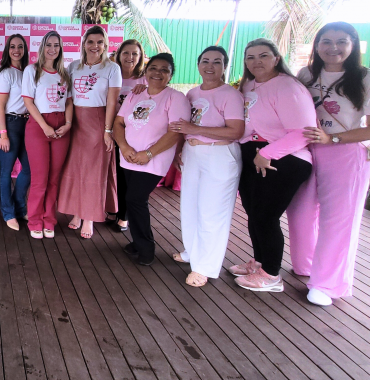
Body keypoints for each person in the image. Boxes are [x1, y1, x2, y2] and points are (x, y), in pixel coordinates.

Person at [287, 23, 370, 306]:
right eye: (326, 41)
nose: (333, 48)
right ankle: (306, 266)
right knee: (300, 212)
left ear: (354, 45)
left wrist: (332, 138)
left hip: (346, 154)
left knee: (338, 221)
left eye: (342, 41)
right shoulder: (306, 74)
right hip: (305, 150)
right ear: (317, 45)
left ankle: (327, 284)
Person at [230, 39, 316, 292]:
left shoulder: (289, 87)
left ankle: (271, 275)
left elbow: (303, 133)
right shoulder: (249, 85)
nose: (256, 61)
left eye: (263, 56)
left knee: (266, 215)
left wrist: (267, 153)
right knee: (253, 211)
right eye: (250, 57)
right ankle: (259, 261)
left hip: (284, 158)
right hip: (254, 154)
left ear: (277, 58)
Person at [169, 46, 245, 287]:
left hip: (219, 156)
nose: (210, 66)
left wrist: (196, 131)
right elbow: (185, 126)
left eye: (217, 62)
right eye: (205, 61)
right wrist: (181, 147)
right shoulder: (192, 93)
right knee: (190, 206)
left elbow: (236, 131)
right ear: (198, 64)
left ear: (225, 66)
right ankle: (192, 252)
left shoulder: (230, 94)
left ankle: (206, 267)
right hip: (193, 154)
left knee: (212, 213)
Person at [113, 53, 189, 266]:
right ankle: (138, 243)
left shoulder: (176, 98)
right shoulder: (136, 94)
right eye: (153, 68)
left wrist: (148, 154)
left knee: (136, 200)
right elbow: (119, 123)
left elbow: (176, 132)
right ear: (145, 72)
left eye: (164, 69)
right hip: (128, 156)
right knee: (132, 199)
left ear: (171, 75)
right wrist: (125, 147)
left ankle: (146, 249)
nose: (158, 73)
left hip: (152, 160)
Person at [58, 26, 121, 239]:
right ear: (83, 43)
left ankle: (89, 217)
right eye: (91, 41)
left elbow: (112, 101)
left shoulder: (112, 68)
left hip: (98, 122)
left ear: (105, 45)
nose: (95, 46)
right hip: (74, 121)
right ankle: (76, 212)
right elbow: (66, 97)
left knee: (94, 172)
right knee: (75, 168)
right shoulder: (73, 66)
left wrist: (107, 130)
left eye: (99, 42)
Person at [22, 31, 73, 239]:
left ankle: (49, 220)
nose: (53, 49)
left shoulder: (64, 73)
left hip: (62, 127)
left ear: (61, 48)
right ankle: (34, 220)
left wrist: (68, 124)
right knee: (39, 179)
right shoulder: (32, 70)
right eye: (49, 44)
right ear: (42, 47)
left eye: (57, 45)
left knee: (53, 179)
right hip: (38, 126)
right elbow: (28, 101)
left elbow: (69, 101)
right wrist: (44, 126)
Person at [0, 34, 31, 231]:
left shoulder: (27, 71)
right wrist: (3, 134)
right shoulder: (6, 73)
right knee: (6, 172)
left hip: (26, 124)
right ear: (7, 50)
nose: (16, 50)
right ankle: (8, 213)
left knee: (29, 168)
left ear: (25, 50)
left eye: (20, 47)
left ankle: (19, 207)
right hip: (8, 122)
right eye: (12, 47)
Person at [110, 39, 147, 233]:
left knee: (127, 176)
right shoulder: (111, 74)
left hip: (134, 135)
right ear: (119, 54)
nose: (130, 57)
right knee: (113, 173)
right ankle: (114, 209)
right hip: (111, 131)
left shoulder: (145, 80)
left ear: (140, 57)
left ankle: (124, 216)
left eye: (134, 54)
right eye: (126, 53)